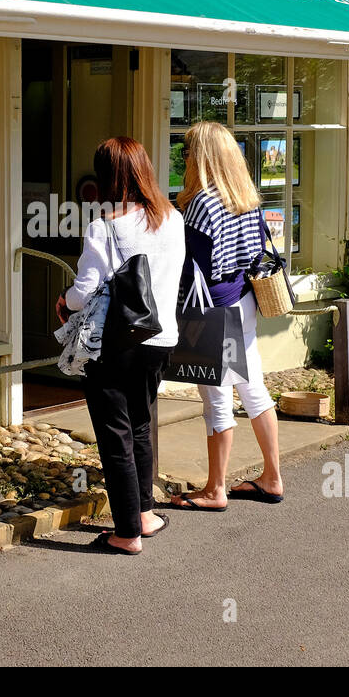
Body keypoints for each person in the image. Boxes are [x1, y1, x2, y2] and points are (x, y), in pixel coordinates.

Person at [57, 137, 185, 554]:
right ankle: (145, 514)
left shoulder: (105, 226)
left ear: (107, 176)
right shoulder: (173, 218)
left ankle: (126, 533)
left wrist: (63, 302)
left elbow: (84, 291)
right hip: (161, 338)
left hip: (118, 341)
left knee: (115, 434)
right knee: (141, 424)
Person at [170, 121, 284, 510]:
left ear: (202, 157)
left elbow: (194, 268)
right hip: (243, 302)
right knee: (253, 388)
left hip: (214, 310)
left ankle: (214, 490)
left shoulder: (203, 202)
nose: (183, 158)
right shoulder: (245, 197)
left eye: (187, 152)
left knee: (216, 398)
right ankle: (271, 477)